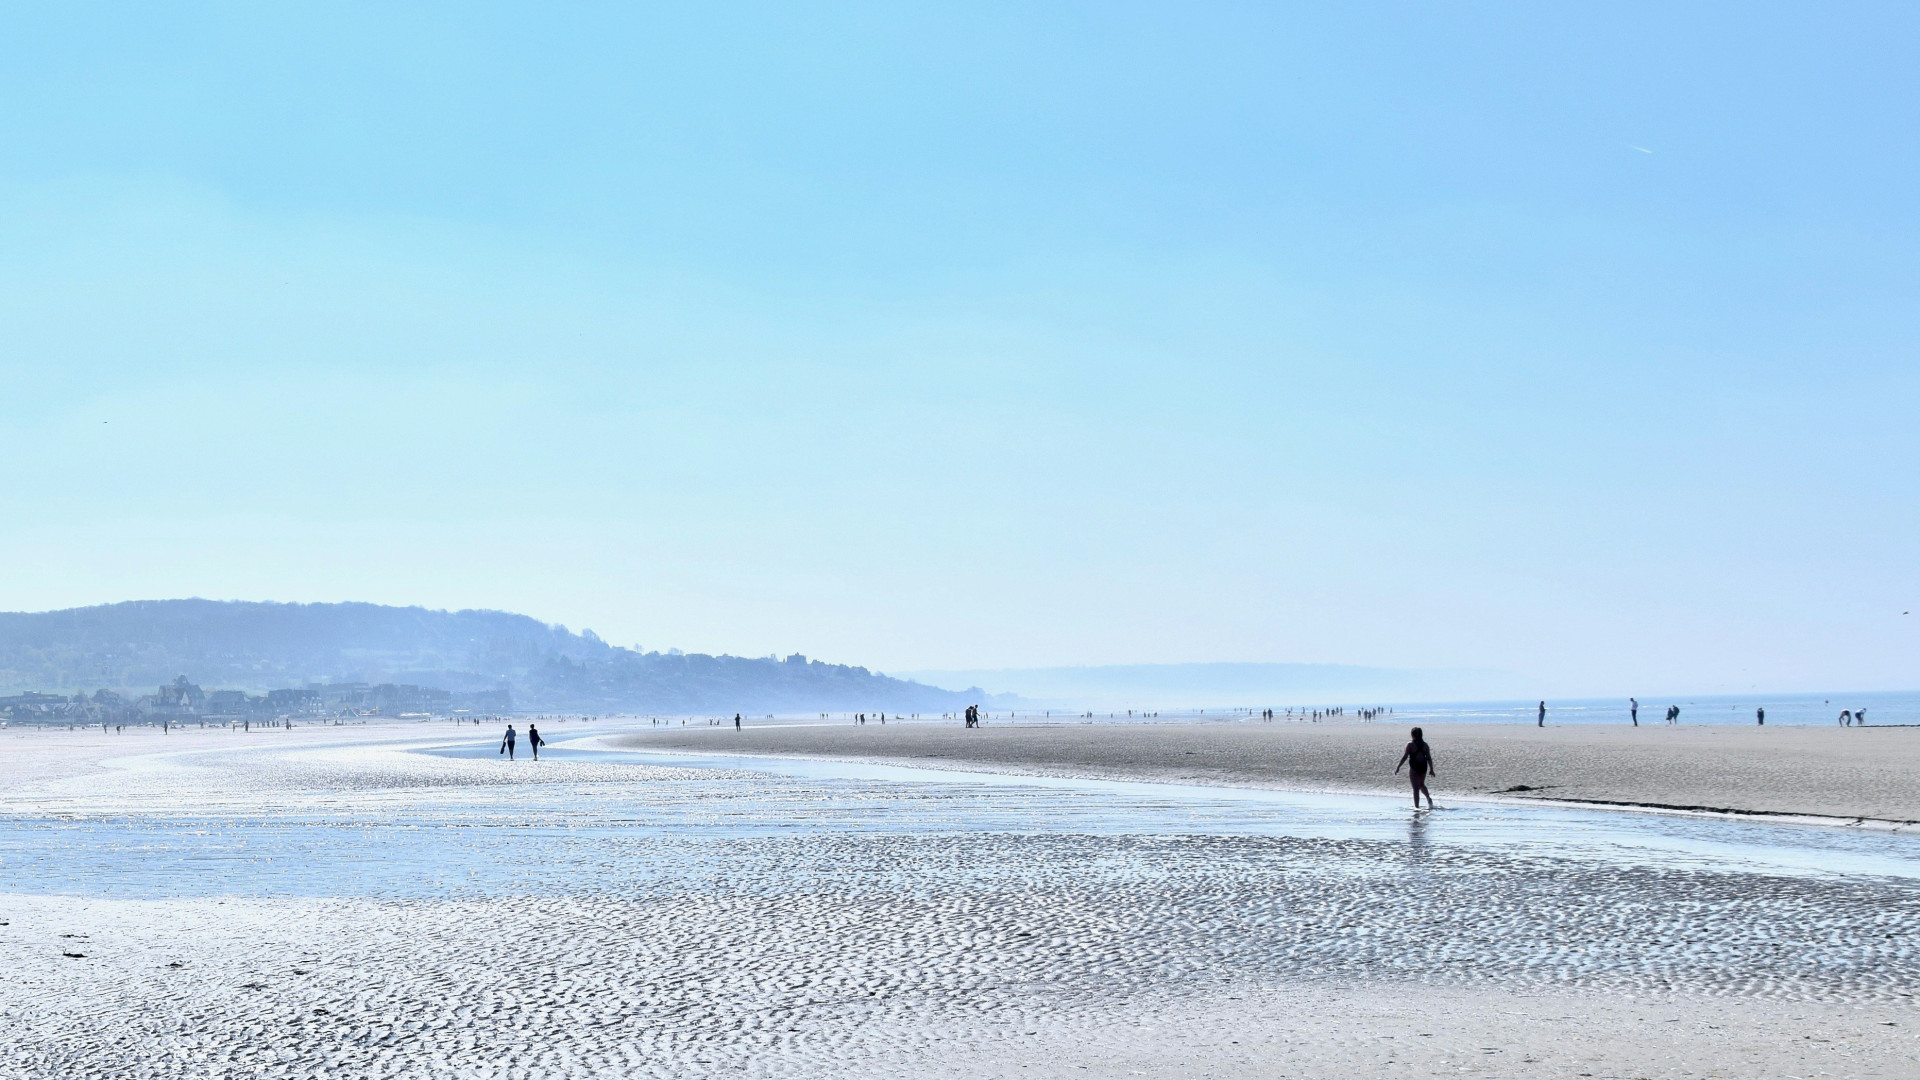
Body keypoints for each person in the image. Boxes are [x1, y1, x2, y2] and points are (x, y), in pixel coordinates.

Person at [1395, 727, 1436, 810]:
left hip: (1414, 767)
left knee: (1415, 788)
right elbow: (1429, 758)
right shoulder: (1425, 745)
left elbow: (1405, 757)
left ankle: (1417, 807)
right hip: (1423, 766)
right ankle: (1428, 798)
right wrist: (1431, 769)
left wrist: (1398, 766)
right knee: (1421, 784)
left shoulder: (1410, 745)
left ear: (1412, 735)